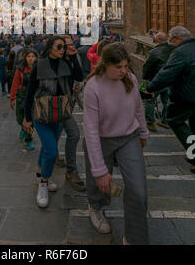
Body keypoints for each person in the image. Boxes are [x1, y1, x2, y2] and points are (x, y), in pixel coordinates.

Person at [83, 43, 149, 245]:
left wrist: (144, 131)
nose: (123, 71)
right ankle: (95, 207)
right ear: (106, 64)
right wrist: (100, 171)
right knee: (99, 184)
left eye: (126, 66)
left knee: (138, 190)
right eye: (118, 67)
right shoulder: (93, 87)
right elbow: (91, 130)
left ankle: (134, 238)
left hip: (129, 136)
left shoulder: (130, 79)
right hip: (102, 139)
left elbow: (138, 108)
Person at [23, 36, 83, 208]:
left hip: (59, 112)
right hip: (41, 113)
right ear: (50, 47)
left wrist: (73, 56)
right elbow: (30, 93)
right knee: (51, 149)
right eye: (59, 46)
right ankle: (43, 184)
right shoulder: (39, 65)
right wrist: (27, 118)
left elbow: (79, 75)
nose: (62, 49)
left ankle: (40, 175)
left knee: (47, 148)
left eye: (64, 47)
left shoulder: (66, 63)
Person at [146, 27, 195, 173]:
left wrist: (150, 87)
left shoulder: (180, 52)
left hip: (188, 96)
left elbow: (167, 73)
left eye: (171, 40)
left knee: (175, 120)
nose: (171, 43)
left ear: (176, 38)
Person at [58, 35, 85, 191]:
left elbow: (79, 76)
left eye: (70, 44)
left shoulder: (74, 57)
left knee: (68, 133)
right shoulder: (55, 62)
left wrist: (74, 58)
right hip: (55, 104)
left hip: (69, 101)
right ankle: (69, 169)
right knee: (73, 134)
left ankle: (70, 170)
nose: (69, 47)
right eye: (64, 45)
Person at [142, 32, 174, 131]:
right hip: (168, 80)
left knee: (149, 100)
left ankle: (150, 123)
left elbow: (147, 67)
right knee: (167, 101)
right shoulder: (173, 49)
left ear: (158, 40)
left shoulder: (154, 52)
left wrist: (145, 78)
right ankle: (165, 121)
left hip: (155, 80)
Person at [10, 49, 38, 150]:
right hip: (21, 96)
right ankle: (23, 127)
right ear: (25, 58)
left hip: (33, 98)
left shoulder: (38, 68)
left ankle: (28, 139)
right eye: (28, 56)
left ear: (36, 58)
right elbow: (15, 84)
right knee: (20, 118)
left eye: (32, 56)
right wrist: (12, 98)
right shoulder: (20, 69)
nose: (30, 58)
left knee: (30, 119)